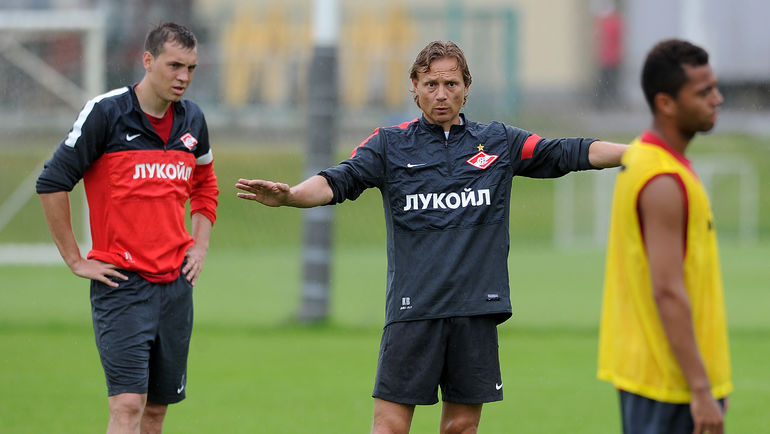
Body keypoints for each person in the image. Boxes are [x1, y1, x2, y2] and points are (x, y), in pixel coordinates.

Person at [236, 40, 626, 434]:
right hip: (413, 309)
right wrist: (292, 197)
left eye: (451, 84)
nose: (441, 95)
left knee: (461, 427)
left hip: (475, 309)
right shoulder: (389, 144)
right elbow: (340, 178)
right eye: (431, 85)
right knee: (389, 426)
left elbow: (566, 152)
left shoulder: (498, 141)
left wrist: (637, 153)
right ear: (415, 86)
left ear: (466, 87)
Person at [36, 22, 218, 434]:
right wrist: (75, 259)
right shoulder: (107, 112)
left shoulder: (193, 120)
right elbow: (52, 183)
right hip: (122, 285)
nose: (183, 77)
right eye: (174, 65)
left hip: (175, 287)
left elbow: (205, 184)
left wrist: (200, 246)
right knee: (127, 406)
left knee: (155, 412)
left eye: (191, 68)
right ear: (148, 60)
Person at [597, 39, 731, 434]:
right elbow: (668, 290)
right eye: (703, 92)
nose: (717, 99)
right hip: (671, 385)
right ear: (667, 103)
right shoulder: (662, 181)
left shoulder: (641, 158)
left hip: (654, 377)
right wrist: (701, 388)